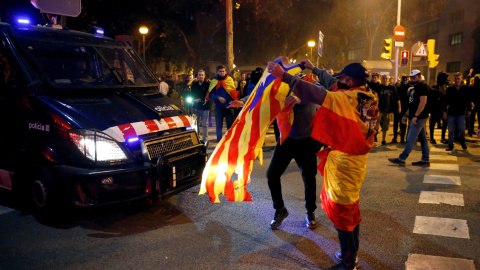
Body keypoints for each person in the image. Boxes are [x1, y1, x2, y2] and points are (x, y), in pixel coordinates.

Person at [268, 60, 378, 270]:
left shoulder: (347, 98)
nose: (338, 82)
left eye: (343, 79)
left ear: (351, 81)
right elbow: (331, 84)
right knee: (351, 208)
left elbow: (319, 94)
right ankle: (351, 255)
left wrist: (285, 76)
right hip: (356, 159)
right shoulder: (369, 94)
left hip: (345, 161)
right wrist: (313, 68)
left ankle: (348, 262)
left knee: (342, 211)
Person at [389, 69, 430, 166]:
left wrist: (416, 116)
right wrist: (406, 115)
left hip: (420, 117)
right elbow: (411, 104)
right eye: (411, 77)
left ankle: (402, 158)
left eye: (414, 77)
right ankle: (425, 160)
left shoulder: (423, 87)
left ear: (419, 77)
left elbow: (423, 102)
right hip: (416, 116)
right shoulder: (414, 88)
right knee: (423, 139)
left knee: (410, 138)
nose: (412, 79)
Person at [207, 65, 238, 142]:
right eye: (220, 71)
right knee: (219, 126)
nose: (222, 73)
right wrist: (218, 98)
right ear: (217, 72)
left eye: (223, 71)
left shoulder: (230, 80)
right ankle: (219, 142)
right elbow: (210, 94)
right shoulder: (214, 81)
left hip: (229, 106)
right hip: (218, 107)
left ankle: (230, 141)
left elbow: (233, 92)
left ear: (225, 72)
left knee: (230, 126)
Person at [444, 72, 471, 151]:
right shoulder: (450, 89)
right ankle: (450, 145)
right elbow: (446, 100)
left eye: (458, 78)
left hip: (461, 112)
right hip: (451, 112)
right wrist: (444, 111)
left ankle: (462, 142)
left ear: (461, 79)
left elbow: (468, 99)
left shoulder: (464, 88)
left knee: (462, 129)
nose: (457, 80)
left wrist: (469, 109)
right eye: (456, 78)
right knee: (451, 130)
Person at [374, 75, 400, 146]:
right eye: (384, 78)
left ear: (388, 80)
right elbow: (375, 97)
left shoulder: (392, 88)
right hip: (378, 110)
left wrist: (399, 107)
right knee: (375, 125)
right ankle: (373, 139)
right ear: (381, 79)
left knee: (385, 126)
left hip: (387, 110)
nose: (385, 80)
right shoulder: (378, 87)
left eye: (386, 79)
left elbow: (397, 98)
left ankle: (383, 140)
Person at [190, 70, 211, 142]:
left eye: (202, 75)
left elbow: (209, 95)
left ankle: (205, 139)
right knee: (196, 124)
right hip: (195, 107)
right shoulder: (194, 84)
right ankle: (197, 138)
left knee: (204, 124)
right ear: (197, 76)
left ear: (204, 76)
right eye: (199, 75)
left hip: (205, 107)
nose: (201, 76)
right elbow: (191, 93)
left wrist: (200, 99)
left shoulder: (208, 84)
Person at [428, 72, 448, 144]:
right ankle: (432, 138)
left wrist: (444, 111)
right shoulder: (434, 89)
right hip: (435, 109)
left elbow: (445, 101)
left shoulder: (445, 89)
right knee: (432, 124)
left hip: (442, 109)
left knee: (445, 123)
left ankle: (442, 137)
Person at [391, 75, 409, 143]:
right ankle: (396, 137)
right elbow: (395, 97)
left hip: (405, 108)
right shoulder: (398, 86)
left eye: (406, 79)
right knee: (397, 123)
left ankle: (401, 138)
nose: (405, 80)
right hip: (398, 107)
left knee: (403, 123)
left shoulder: (409, 87)